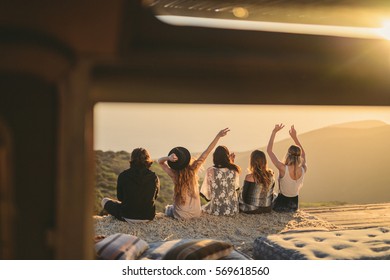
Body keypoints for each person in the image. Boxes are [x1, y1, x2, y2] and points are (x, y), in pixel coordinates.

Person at [158, 128, 230, 219]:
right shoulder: (193, 170)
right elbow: (207, 151)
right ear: (187, 160)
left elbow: (159, 161)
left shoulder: (174, 175)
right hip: (196, 213)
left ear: (175, 165)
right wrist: (218, 136)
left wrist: (168, 158)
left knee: (168, 208)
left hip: (181, 215)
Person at [101, 148, 160, 222]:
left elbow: (120, 198)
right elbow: (155, 197)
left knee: (104, 200)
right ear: (147, 160)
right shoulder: (154, 177)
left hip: (127, 215)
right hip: (148, 216)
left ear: (132, 159)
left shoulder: (123, 175)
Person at [267, 124, 307, 212]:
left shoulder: (283, 168)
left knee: (270, 195)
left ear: (288, 155)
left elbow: (269, 150)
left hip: (281, 205)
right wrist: (295, 137)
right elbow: (303, 154)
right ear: (299, 156)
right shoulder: (303, 169)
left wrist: (274, 132)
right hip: (294, 205)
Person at [200, 145, 241, 216]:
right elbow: (233, 187)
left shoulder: (210, 170)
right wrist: (231, 162)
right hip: (233, 209)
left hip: (217, 209)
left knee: (203, 208)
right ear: (227, 157)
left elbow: (208, 192)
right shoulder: (234, 170)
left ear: (215, 157)